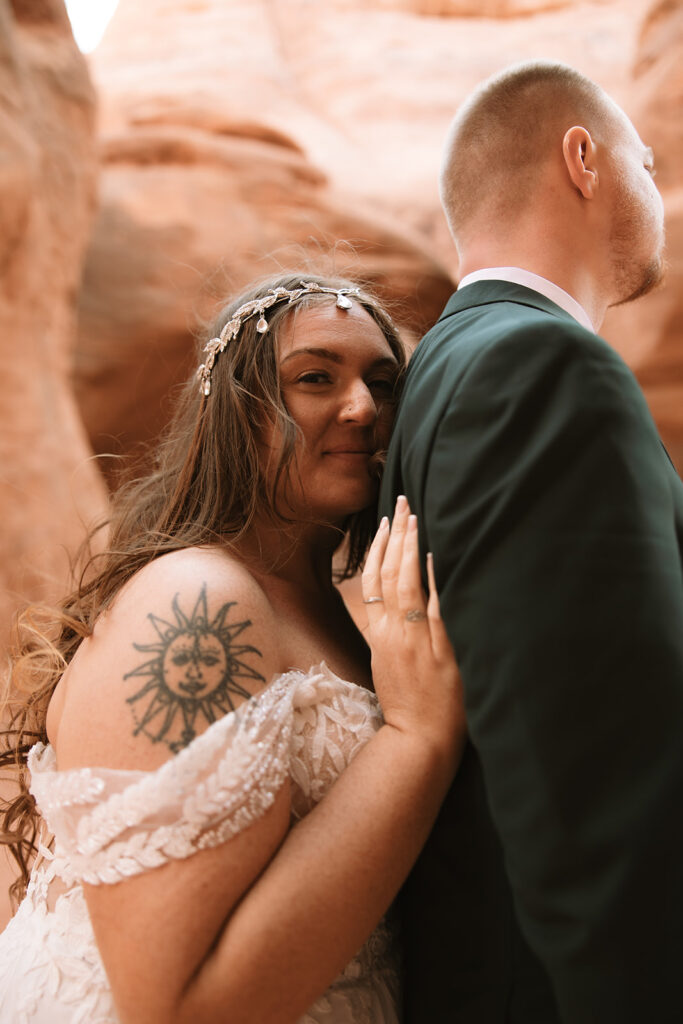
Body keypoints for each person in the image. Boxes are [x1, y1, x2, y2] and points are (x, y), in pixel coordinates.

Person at [0, 272, 465, 1023]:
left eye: (383, 383)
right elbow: (172, 1007)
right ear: (239, 414)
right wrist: (418, 739)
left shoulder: (330, 608)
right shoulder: (198, 602)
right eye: (316, 378)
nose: (363, 409)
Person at [380, 60, 683, 1023]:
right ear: (582, 159)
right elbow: (593, 797)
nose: (660, 188)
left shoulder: (442, 367)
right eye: (647, 160)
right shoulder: (545, 367)